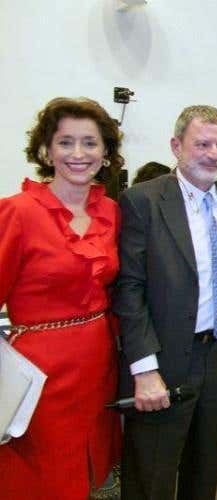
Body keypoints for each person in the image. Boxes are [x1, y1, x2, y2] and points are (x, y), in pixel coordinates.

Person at [113, 105, 217, 500]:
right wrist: (144, 368)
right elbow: (129, 289)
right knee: (152, 475)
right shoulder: (143, 200)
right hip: (164, 358)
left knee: (204, 469)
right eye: (202, 144)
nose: (214, 154)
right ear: (176, 146)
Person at [0, 97, 123, 499]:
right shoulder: (18, 212)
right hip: (39, 375)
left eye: (90, 143)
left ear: (105, 152)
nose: (78, 154)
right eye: (65, 142)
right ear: (47, 149)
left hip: (99, 365)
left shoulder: (111, 211)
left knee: (89, 472)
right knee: (44, 477)